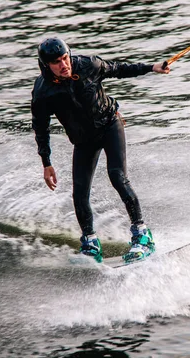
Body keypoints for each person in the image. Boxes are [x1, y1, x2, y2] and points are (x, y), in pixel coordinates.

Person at [31, 37, 170, 263]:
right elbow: (41, 128)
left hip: (109, 125)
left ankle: (142, 235)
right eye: (56, 62)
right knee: (79, 192)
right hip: (84, 140)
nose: (63, 65)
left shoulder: (89, 65)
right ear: (46, 65)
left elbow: (119, 69)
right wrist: (46, 162)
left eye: (65, 58)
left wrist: (151, 67)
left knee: (117, 176)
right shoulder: (42, 92)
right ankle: (91, 243)